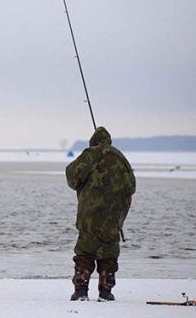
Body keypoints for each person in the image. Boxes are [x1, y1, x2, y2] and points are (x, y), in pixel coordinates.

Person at [65, 126, 136, 302]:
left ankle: (81, 291)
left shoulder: (91, 154)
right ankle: (106, 292)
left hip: (91, 214)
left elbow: (72, 177)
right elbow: (131, 186)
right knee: (109, 252)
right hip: (115, 216)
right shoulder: (121, 158)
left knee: (85, 252)